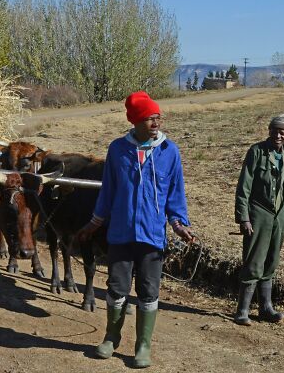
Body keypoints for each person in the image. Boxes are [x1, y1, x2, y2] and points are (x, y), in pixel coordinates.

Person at [77, 91, 196, 368]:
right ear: (136, 121)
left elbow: (175, 193)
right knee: (116, 288)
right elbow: (108, 192)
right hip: (120, 233)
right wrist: (94, 223)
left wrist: (179, 224)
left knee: (148, 291)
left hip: (152, 235)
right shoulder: (118, 149)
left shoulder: (170, 151)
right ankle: (111, 337)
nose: (156, 122)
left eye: (157, 117)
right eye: (149, 118)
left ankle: (143, 345)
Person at [233, 112, 284, 326]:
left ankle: (266, 309)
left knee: (271, 262)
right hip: (258, 214)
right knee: (253, 261)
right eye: (275, 131)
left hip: (279, 217)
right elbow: (244, 187)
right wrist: (244, 218)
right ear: (269, 131)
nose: (279, 135)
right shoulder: (256, 152)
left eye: (283, 132)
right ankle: (242, 311)